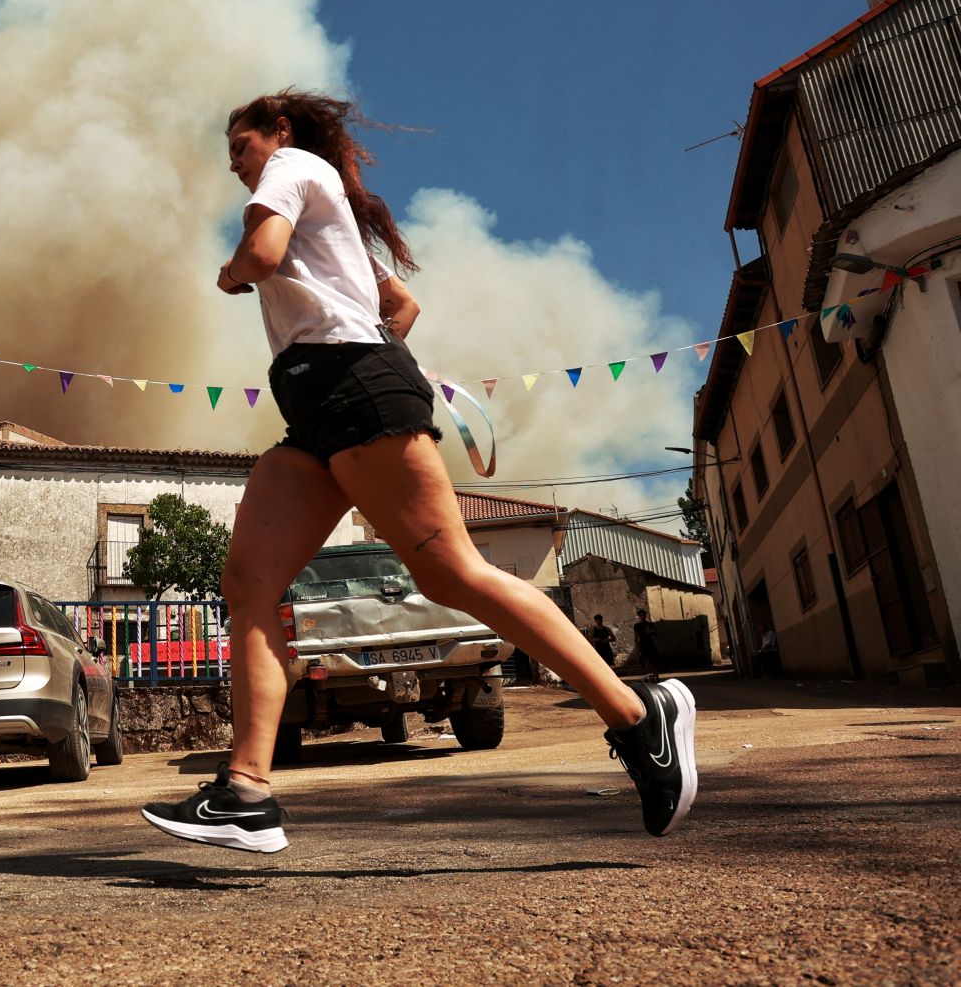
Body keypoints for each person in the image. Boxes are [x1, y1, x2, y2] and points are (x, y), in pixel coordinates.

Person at [140, 90, 698, 853]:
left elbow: (262, 256)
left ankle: (640, 717)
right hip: (318, 412)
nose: (236, 164)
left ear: (279, 131)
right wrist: (376, 346)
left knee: (451, 573)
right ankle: (246, 792)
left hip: (352, 392)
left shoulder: (291, 167)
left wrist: (232, 273)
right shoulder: (324, 212)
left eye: (240, 147)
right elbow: (401, 302)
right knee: (249, 584)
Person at [633, 610, 661, 683]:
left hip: (651, 644)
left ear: (645, 616)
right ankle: (648, 677)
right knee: (646, 662)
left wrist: (651, 631)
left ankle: (657, 676)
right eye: (640, 615)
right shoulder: (637, 626)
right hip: (643, 645)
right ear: (639, 616)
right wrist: (637, 647)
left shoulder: (650, 624)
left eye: (643, 615)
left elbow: (656, 635)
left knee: (654, 661)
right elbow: (636, 637)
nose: (642, 617)